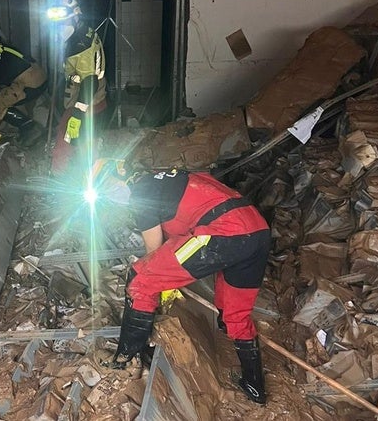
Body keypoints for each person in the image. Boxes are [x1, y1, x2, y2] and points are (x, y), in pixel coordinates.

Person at [92, 161, 271, 405]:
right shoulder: (166, 177)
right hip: (257, 231)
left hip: (223, 232)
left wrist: (162, 284)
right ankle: (254, 385)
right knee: (235, 315)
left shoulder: (141, 193)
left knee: (141, 280)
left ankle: (125, 359)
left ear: (117, 176)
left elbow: (153, 253)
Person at [47, 0, 108, 176]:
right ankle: (91, 178)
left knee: (63, 145)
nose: (60, 29)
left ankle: (57, 180)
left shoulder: (81, 45)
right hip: (95, 101)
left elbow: (90, 83)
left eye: (63, 24)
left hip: (85, 103)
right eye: (57, 25)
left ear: (75, 16)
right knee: (87, 145)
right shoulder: (84, 33)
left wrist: (76, 114)